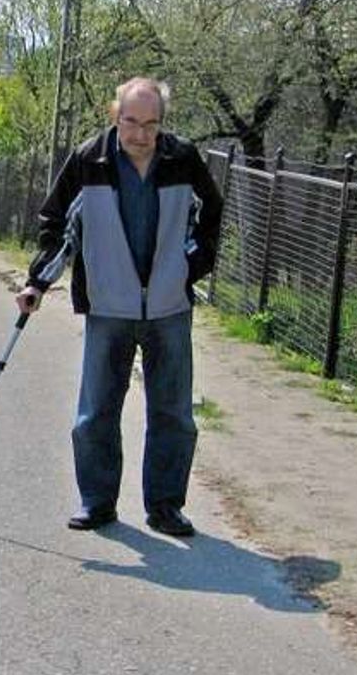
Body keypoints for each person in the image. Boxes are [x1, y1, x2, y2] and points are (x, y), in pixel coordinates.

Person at [15, 77, 224, 537]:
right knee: (97, 411)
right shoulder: (90, 159)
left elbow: (212, 214)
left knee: (173, 412)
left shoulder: (182, 159)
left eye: (151, 125)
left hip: (169, 306)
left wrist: (190, 267)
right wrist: (37, 284)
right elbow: (56, 223)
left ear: (161, 124)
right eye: (131, 122)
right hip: (108, 305)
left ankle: (165, 505)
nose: (140, 135)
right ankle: (97, 501)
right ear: (116, 115)